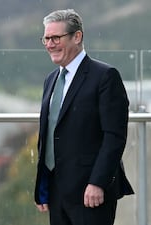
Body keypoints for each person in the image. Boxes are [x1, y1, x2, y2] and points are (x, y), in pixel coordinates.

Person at [34, 9, 134, 225]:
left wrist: (97, 183)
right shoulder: (50, 80)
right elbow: (49, 134)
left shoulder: (105, 76)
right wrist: (42, 186)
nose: (49, 44)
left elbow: (114, 137)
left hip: (90, 193)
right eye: (46, 38)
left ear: (77, 37)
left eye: (55, 38)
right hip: (56, 191)